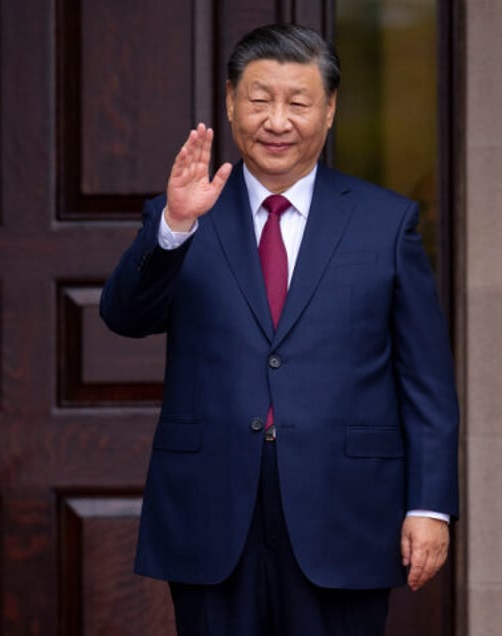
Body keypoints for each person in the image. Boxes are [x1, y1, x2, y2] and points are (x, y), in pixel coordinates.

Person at [100, 23, 459, 636]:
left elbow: (425, 384)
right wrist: (174, 229)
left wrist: (429, 505)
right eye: (260, 99)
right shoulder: (186, 211)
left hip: (344, 508)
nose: (277, 120)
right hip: (211, 506)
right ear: (231, 103)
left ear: (330, 109)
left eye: (298, 102)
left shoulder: (385, 222)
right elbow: (125, 317)